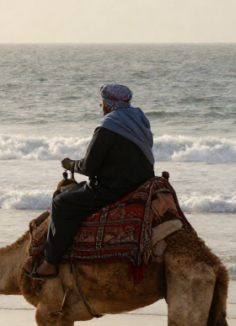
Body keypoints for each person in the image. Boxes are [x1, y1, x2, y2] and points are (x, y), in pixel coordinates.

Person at [28, 84, 155, 279]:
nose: (101, 105)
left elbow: (89, 167)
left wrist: (71, 164)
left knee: (61, 202)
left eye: (102, 101)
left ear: (110, 103)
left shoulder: (108, 127)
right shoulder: (138, 119)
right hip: (141, 183)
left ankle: (51, 263)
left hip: (113, 188)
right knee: (73, 193)